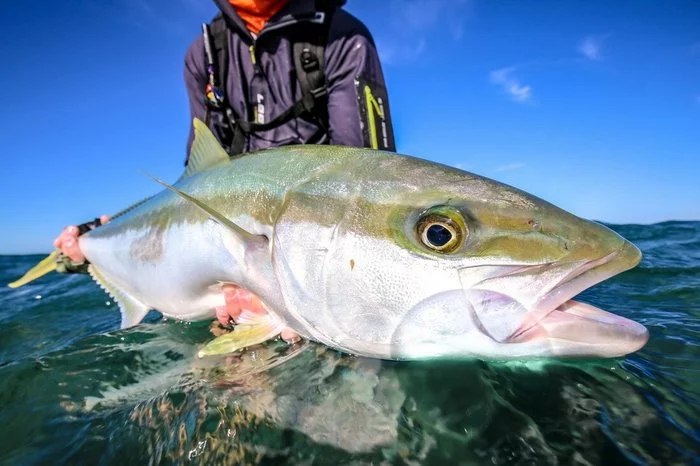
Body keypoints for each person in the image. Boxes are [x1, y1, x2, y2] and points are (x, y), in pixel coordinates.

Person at [53, 0, 396, 341]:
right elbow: (197, 177)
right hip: (233, 243)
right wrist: (107, 231)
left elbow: (366, 184)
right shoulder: (204, 53)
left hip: (306, 245)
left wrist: (286, 286)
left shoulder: (342, 35)